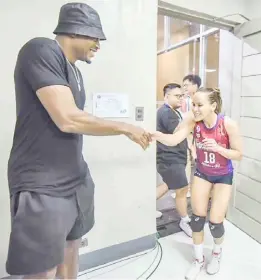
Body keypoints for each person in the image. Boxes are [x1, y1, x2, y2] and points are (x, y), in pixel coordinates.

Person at [6, 3, 151, 279]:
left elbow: (75, 120)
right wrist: (125, 127)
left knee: (72, 246)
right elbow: (68, 118)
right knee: (43, 268)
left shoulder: (75, 72)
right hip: (43, 182)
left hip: (75, 177)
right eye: (94, 37)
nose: (98, 44)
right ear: (75, 30)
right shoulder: (41, 50)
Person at [152, 87, 242, 280]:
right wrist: (155, 135)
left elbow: (239, 154)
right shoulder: (194, 122)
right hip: (202, 173)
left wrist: (219, 149)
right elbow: (174, 139)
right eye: (193, 104)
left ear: (213, 105)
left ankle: (216, 254)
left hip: (222, 176)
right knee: (197, 220)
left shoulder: (227, 124)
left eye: (200, 105)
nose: (195, 108)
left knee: (216, 222)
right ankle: (198, 260)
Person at [156, 83, 192, 237]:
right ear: (166, 96)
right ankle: (184, 220)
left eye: (182, 96)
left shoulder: (172, 111)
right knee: (182, 189)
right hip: (170, 159)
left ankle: (145, 208)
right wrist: (192, 118)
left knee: (168, 185)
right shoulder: (166, 113)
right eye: (177, 96)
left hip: (174, 157)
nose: (181, 99)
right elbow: (178, 132)